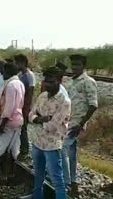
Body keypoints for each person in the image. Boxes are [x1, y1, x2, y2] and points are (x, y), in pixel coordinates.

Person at [28, 66, 71, 199]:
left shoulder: (64, 101)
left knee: (57, 179)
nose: (47, 84)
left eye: (51, 81)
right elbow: (30, 115)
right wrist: (41, 118)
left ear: (59, 81)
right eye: (46, 81)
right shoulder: (42, 96)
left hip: (51, 145)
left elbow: (52, 126)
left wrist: (38, 119)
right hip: (37, 141)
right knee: (38, 175)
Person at [62, 54, 98, 195]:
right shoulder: (71, 81)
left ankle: (65, 183)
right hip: (67, 121)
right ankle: (73, 182)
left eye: (77, 65)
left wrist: (81, 123)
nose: (74, 67)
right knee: (71, 152)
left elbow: (93, 105)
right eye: (73, 64)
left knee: (61, 149)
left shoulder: (88, 81)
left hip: (76, 123)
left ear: (84, 66)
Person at [0, 63, 25, 185]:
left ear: (8, 71)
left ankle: (3, 176)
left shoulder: (11, 85)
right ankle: (11, 174)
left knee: (2, 150)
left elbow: (9, 106)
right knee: (13, 149)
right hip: (17, 120)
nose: (2, 74)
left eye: (4, 71)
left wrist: (3, 123)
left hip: (8, 122)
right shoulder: (19, 83)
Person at [14, 54, 36, 157]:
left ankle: (24, 149)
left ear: (23, 63)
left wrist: (27, 108)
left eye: (17, 62)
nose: (15, 64)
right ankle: (21, 147)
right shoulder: (20, 75)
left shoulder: (29, 75)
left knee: (23, 127)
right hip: (19, 104)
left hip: (25, 105)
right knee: (19, 127)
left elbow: (30, 92)